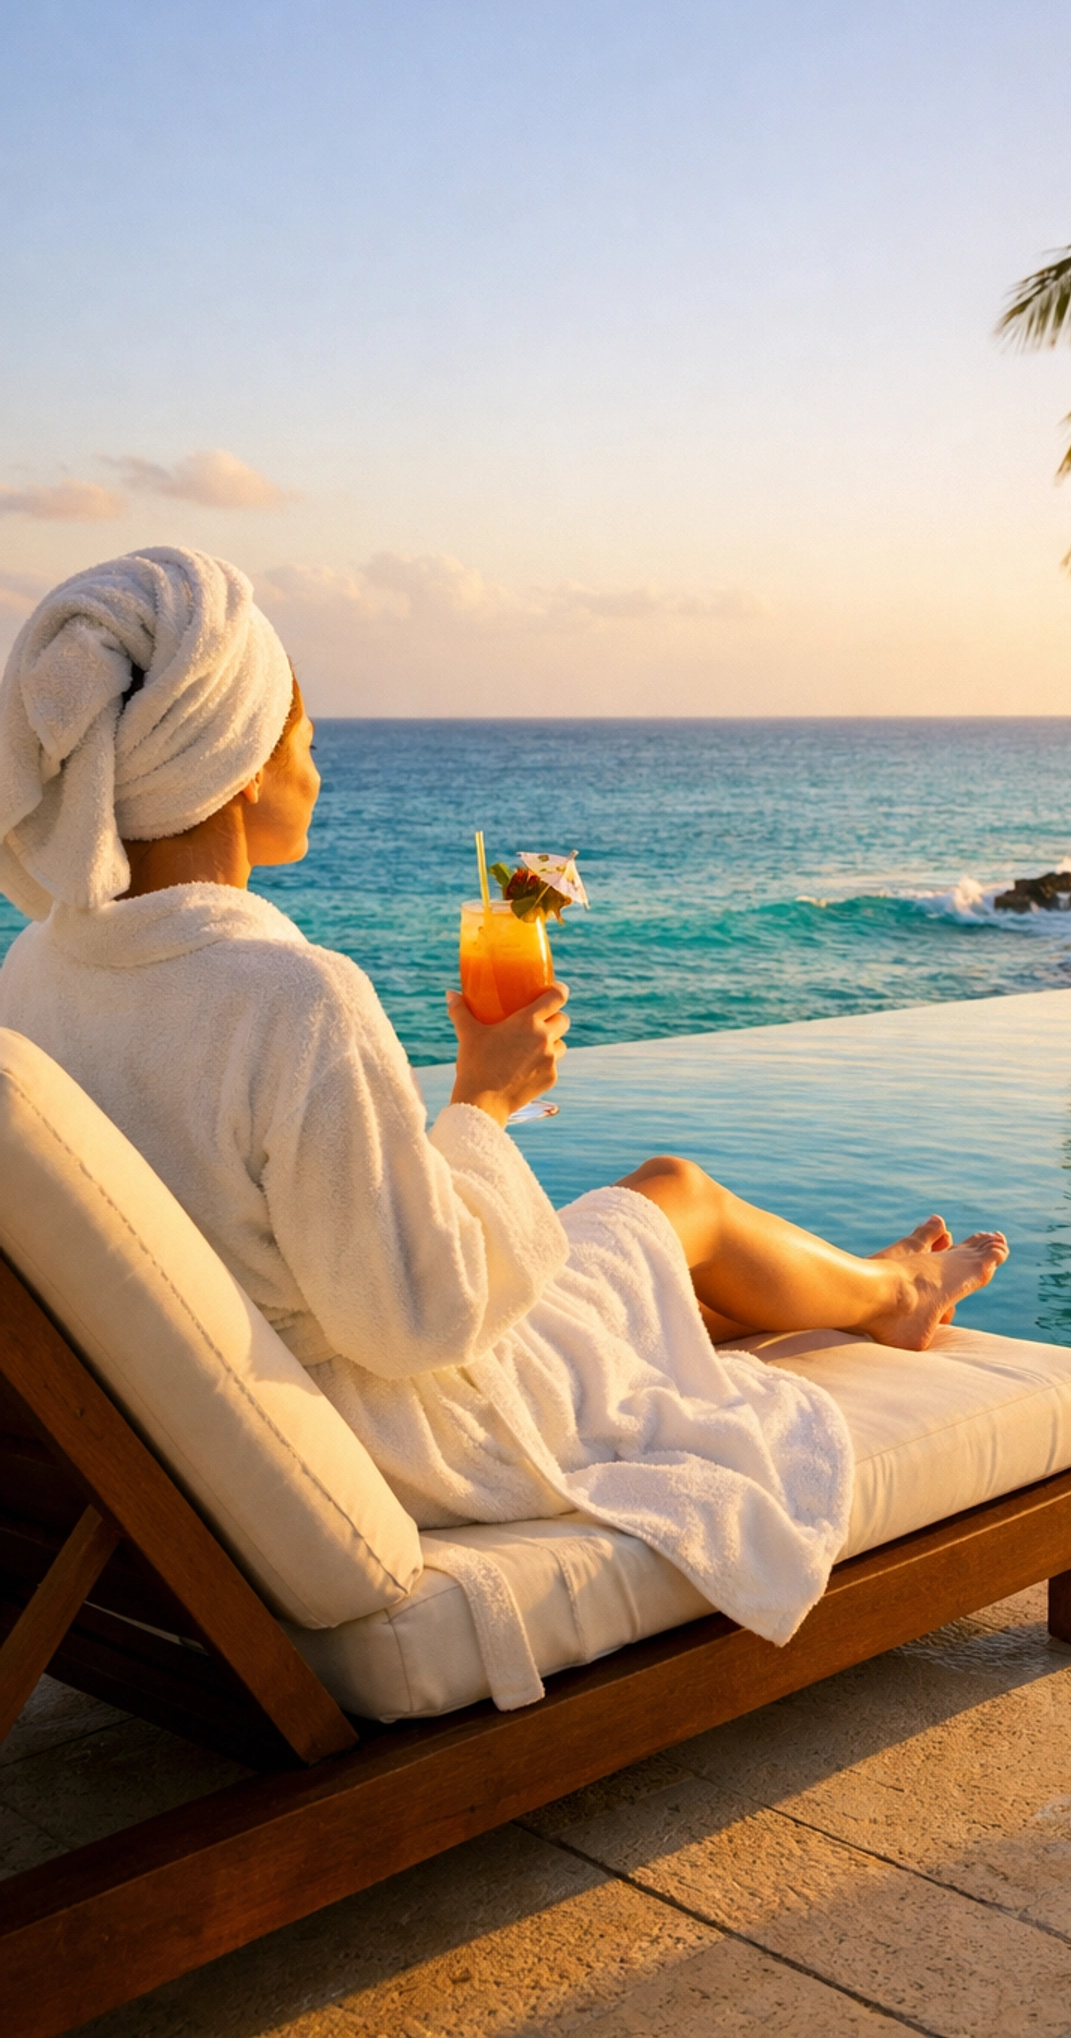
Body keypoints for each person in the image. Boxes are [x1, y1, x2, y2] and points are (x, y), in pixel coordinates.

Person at [0, 548, 1005, 1667]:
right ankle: (897, 1294)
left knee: (642, 1254)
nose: (322, 776)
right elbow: (416, 1318)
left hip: (190, 1434)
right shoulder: (292, 998)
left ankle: (872, 1290)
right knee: (672, 1197)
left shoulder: (36, 975)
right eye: (311, 746)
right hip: (395, 1434)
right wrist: (485, 1101)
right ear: (241, 765)